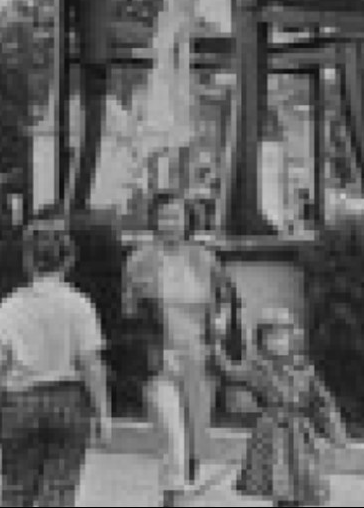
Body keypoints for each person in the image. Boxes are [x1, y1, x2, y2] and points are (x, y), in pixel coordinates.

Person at [122, 191, 237, 506]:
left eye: (176, 216)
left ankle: (179, 489)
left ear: (188, 220)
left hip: (200, 356)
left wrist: (220, 326)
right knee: (172, 433)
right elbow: (129, 313)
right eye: (163, 216)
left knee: (195, 438)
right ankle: (174, 495)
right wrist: (145, 352)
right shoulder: (139, 260)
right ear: (153, 221)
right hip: (159, 358)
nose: (170, 223)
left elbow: (225, 297)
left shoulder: (205, 258)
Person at [0, 220, 113, 507]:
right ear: (68, 260)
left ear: (27, 260)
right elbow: (91, 363)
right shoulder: (79, 305)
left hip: (20, 400)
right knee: (59, 488)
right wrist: (103, 413)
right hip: (68, 398)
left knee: (15, 488)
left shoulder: (8, 307)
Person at [210, 307, 348, 508]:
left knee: (307, 478)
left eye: (282, 336)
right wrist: (216, 343)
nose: (277, 342)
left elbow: (322, 401)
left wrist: (334, 430)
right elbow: (230, 371)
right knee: (281, 482)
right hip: (273, 435)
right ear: (261, 341)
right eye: (270, 337)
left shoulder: (304, 370)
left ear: (293, 339)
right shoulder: (257, 368)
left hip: (300, 434)